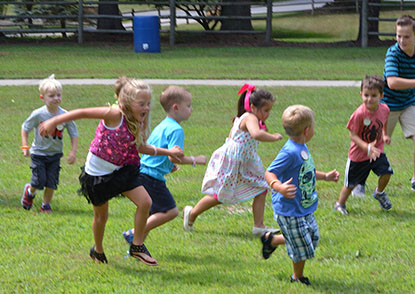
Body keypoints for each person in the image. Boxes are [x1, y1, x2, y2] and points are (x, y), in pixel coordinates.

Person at [39, 79, 184, 265]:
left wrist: (168, 153)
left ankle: (137, 246)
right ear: (127, 102)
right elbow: (82, 112)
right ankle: (97, 250)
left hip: (122, 170)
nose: (146, 108)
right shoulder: (115, 114)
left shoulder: (138, 121)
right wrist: (54, 121)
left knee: (145, 201)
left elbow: (141, 147)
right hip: (98, 175)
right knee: (101, 216)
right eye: (141, 104)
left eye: (148, 104)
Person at [183, 84, 282, 236]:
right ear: (253, 107)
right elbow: (256, 134)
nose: (268, 114)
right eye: (265, 110)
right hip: (235, 162)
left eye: (269, 110)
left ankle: (259, 226)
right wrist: (273, 137)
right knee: (221, 196)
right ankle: (192, 214)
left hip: (246, 161)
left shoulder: (247, 118)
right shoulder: (250, 117)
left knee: (262, 188)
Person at [261, 105, 339, 286]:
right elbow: (269, 172)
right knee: (301, 248)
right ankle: (297, 277)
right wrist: (278, 186)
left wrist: (325, 176)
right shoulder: (290, 152)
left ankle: (271, 240)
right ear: (307, 130)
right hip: (289, 210)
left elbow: (307, 171)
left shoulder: (301, 148)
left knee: (312, 238)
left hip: (302, 206)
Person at [122, 85, 206, 244]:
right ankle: (133, 233)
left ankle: (135, 249)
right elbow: (175, 157)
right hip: (152, 178)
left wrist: (168, 165)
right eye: (188, 106)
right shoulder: (176, 130)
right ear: (176, 107)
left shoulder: (163, 124)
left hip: (142, 172)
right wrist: (195, 160)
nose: (191, 109)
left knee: (149, 214)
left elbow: (161, 152)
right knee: (171, 211)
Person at [382, 15, 415, 196]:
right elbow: (392, 83)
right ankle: (358, 182)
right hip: (386, 105)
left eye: (406, 36)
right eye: (398, 36)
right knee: (373, 144)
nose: (402, 40)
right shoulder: (393, 53)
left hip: (408, 104)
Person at [334, 75, 394, 216]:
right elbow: (353, 135)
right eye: (366, 95)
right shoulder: (359, 114)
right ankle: (340, 204)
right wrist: (367, 148)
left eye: (374, 95)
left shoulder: (384, 109)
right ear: (361, 94)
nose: (369, 99)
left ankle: (379, 193)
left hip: (377, 151)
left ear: (381, 95)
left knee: (387, 172)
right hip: (358, 156)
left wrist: (385, 134)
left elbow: (384, 121)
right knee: (350, 185)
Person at [21, 74, 79, 213]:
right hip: (38, 153)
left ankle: (45, 205)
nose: (56, 98)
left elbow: (73, 133)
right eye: (52, 96)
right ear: (43, 98)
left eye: (58, 95)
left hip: (55, 154)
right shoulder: (38, 114)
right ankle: (30, 191)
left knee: (52, 182)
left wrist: (73, 152)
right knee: (38, 181)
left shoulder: (65, 115)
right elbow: (25, 127)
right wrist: (25, 146)